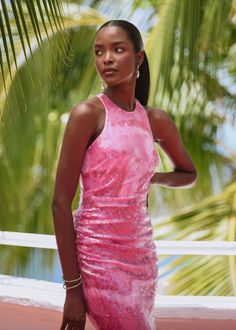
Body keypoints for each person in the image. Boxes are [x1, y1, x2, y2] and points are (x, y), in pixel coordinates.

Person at [51, 19, 197, 330]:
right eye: (99, 52)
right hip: (98, 259)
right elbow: (60, 204)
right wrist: (72, 289)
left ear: (139, 58)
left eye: (118, 50)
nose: (106, 59)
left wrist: (153, 178)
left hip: (142, 258)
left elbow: (188, 173)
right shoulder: (88, 114)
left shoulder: (155, 120)